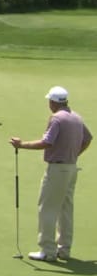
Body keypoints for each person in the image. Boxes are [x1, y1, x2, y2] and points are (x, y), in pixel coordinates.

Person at [9, 86, 91, 262]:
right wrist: (73, 154)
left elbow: (47, 142)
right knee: (66, 209)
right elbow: (88, 138)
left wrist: (22, 145)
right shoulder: (76, 117)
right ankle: (64, 249)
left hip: (57, 170)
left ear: (53, 102)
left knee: (47, 208)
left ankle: (47, 250)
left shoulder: (56, 119)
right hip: (71, 169)